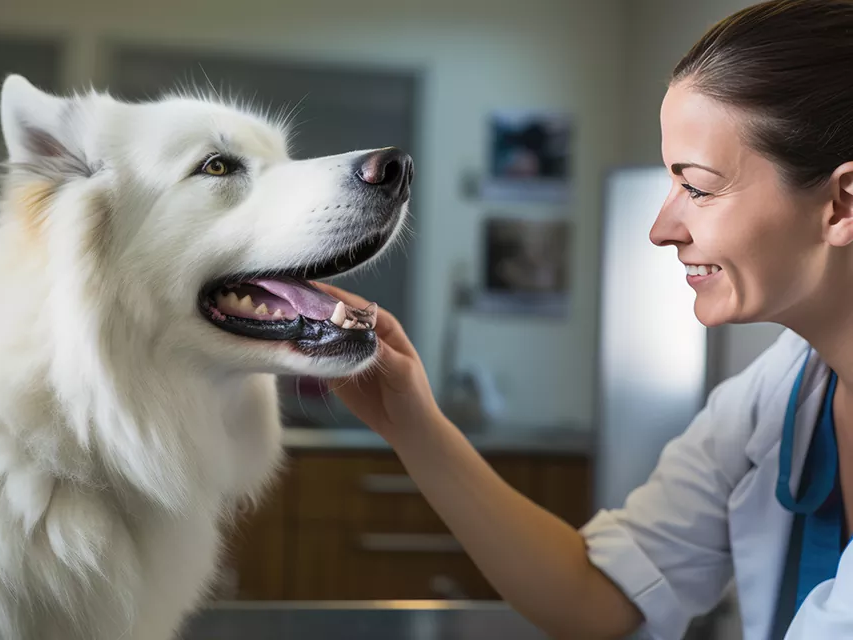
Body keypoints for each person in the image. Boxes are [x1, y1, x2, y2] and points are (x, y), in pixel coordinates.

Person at [314, 1, 853, 638]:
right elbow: (596, 596)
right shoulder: (778, 403)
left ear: (841, 205)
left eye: (699, 188)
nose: (660, 229)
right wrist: (413, 424)